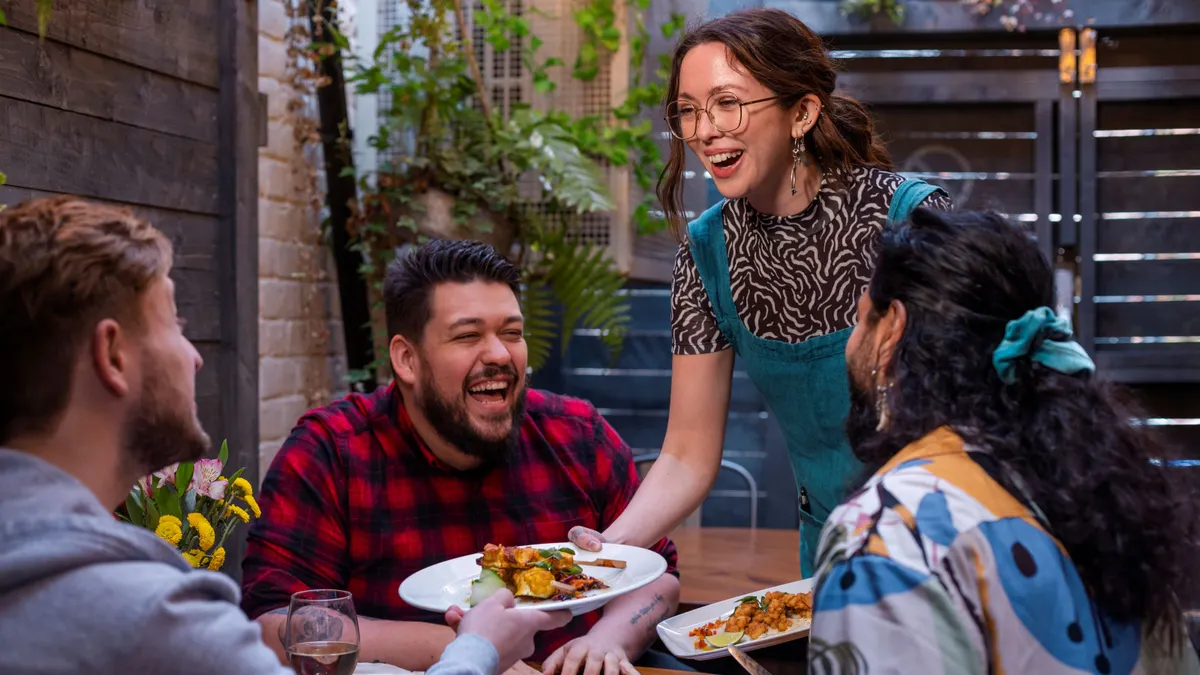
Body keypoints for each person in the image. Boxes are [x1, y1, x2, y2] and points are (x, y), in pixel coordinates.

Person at [0, 196, 572, 675]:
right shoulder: (152, 619)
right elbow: (276, 621)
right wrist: (476, 648)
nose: (195, 357)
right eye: (174, 322)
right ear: (113, 356)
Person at [567, 7, 953, 577]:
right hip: (829, 555)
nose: (703, 131)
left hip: (944, 540)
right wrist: (606, 550)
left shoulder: (909, 218)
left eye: (728, 103)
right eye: (688, 111)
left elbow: (980, 414)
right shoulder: (707, 253)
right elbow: (685, 455)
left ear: (801, 112)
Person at [240, 239, 682, 675]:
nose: (499, 354)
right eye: (468, 336)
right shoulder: (331, 452)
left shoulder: (578, 435)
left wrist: (604, 642)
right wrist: (467, 650)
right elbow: (273, 624)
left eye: (511, 333)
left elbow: (658, 574)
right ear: (407, 359)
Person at [807, 207, 1200, 673]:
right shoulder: (1101, 493)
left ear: (891, 329)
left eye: (859, 320)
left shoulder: (886, 535)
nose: (851, 343)